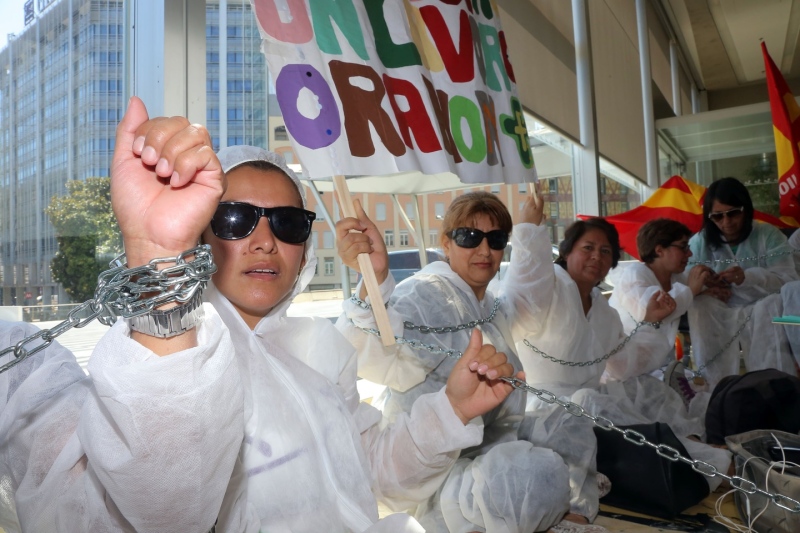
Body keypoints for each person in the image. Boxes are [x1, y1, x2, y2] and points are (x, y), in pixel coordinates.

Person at [0, 97, 521, 532]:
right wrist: (159, 269)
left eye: (288, 223)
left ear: (305, 250)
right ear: (201, 234)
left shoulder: (322, 351)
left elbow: (373, 472)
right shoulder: (165, 356)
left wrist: (450, 411)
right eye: (235, 218)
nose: (265, 241)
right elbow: (162, 506)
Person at [337, 191, 592, 533]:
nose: (484, 250)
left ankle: (568, 512)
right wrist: (375, 281)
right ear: (446, 243)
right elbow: (369, 351)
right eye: (469, 237)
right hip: (436, 467)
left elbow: (530, 295)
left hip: (494, 445)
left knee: (570, 416)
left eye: (496, 239)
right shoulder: (427, 294)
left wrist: (529, 228)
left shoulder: (488, 305)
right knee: (523, 477)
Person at [504, 217, 732, 527]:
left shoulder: (604, 311)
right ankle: (576, 506)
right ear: (568, 252)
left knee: (641, 393)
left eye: (606, 251)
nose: (597, 257)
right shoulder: (550, 288)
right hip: (540, 412)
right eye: (588, 248)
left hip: (587, 406)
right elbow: (522, 291)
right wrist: (529, 229)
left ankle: (692, 453)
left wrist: (651, 320)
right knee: (591, 402)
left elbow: (625, 362)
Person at [687, 177, 797, 387]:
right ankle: (716, 387)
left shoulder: (768, 235)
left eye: (733, 213)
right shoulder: (700, 242)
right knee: (700, 305)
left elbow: (788, 280)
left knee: (772, 305)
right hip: (719, 308)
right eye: (718, 216)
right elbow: (684, 280)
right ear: (709, 217)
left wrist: (748, 277)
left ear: (746, 210)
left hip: (761, 306)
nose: (726, 222)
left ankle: (773, 387)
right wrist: (704, 287)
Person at [607, 218, 716, 415]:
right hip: (622, 374)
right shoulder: (634, 274)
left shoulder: (675, 278)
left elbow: (687, 291)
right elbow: (653, 313)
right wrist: (692, 290)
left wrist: (714, 285)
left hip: (657, 368)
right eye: (683, 247)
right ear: (659, 250)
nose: (689, 254)